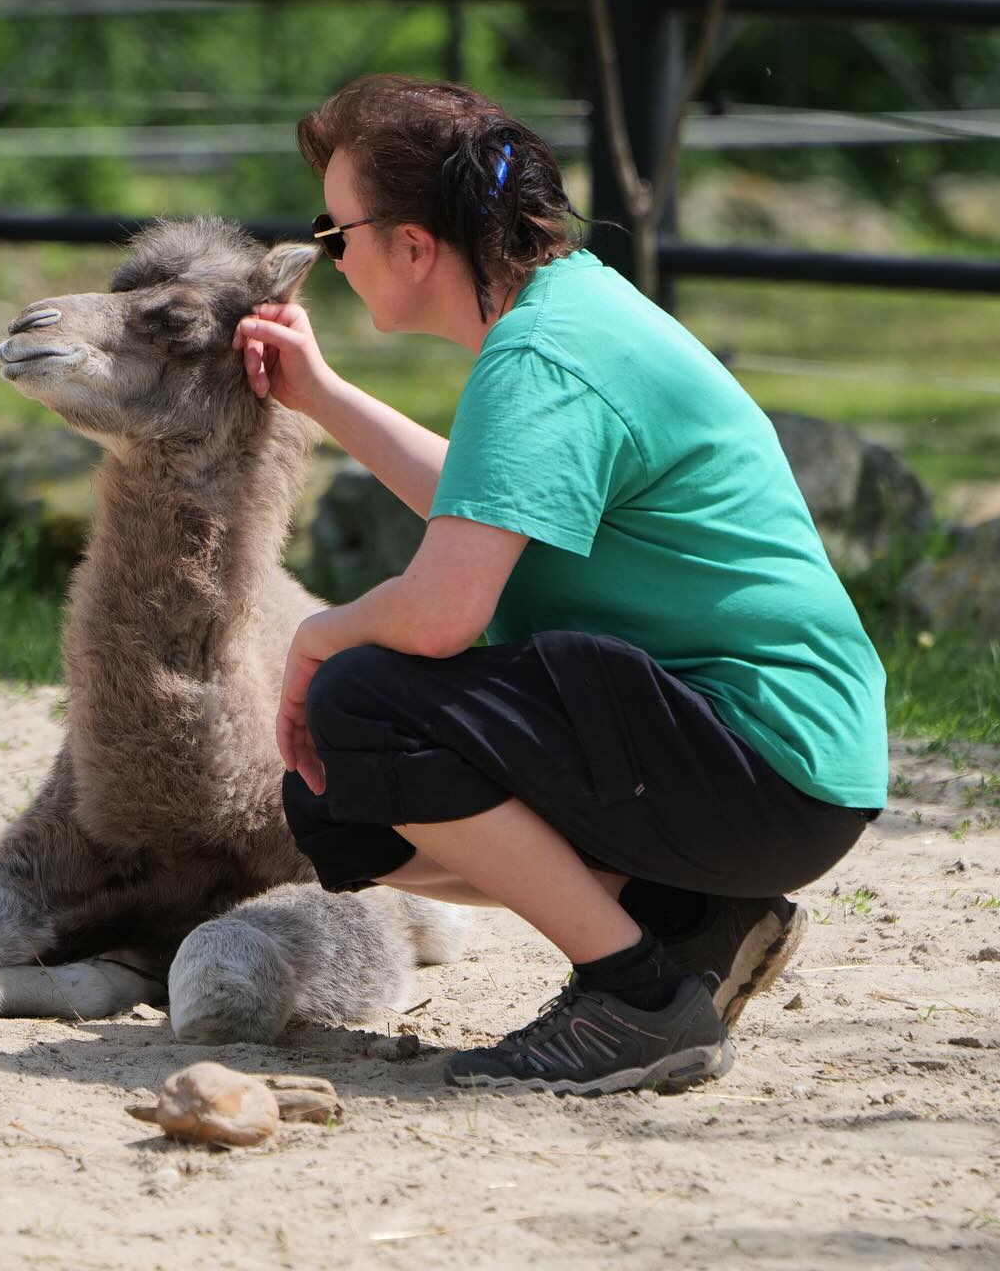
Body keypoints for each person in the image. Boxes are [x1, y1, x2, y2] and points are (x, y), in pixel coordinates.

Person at [232, 75, 887, 1097]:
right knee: (337, 805)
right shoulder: (563, 316)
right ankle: (689, 922)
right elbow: (487, 504)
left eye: (336, 229)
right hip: (769, 767)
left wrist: (319, 636)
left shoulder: (543, 356)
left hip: (766, 762)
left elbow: (446, 613)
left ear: (411, 244)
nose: (330, 254)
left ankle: (634, 998)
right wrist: (321, 397)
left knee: (362, 703)